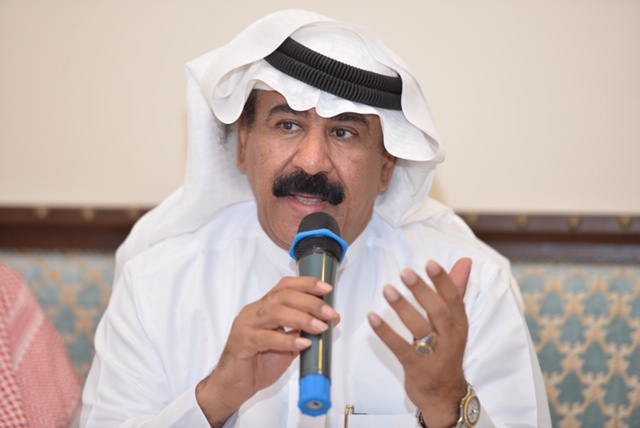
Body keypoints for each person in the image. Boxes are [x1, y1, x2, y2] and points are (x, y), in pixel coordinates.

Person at [80, 9, 551, 428]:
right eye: (288, 125)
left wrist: (449, 407)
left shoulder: (470, 292)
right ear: (243, 143)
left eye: (344, 133)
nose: (311, 161)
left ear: (387, 166)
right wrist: (214, 398)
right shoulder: (156, 285)